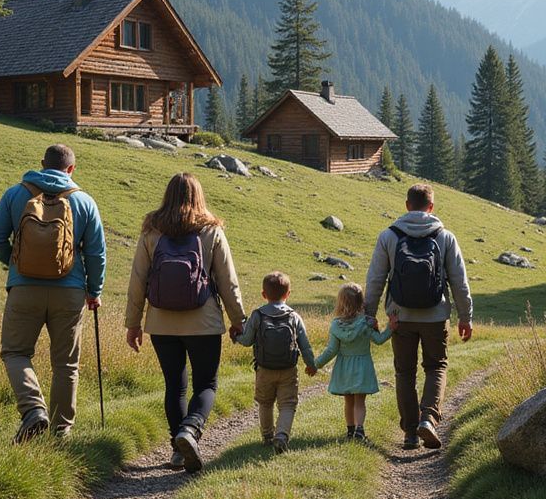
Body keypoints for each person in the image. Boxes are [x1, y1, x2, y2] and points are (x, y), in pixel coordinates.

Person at [125, 173, 246, 473]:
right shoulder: (211, 230)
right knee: (206, 383)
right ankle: (190, 431)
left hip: (161, 323)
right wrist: (238, 321)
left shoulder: (152, 230)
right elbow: (228, 282)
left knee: (174, 386)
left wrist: (133, 324)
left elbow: (138, 280)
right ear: (199, 196)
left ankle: (177, 451)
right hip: (202, 322)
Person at [0, 143, 106, 443]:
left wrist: (16, 264)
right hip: (71, 291)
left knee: (15, 352)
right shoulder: (84, 201)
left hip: (24, 289)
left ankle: (32, 410)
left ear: (41, 164)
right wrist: (94, 289)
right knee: (65, 363)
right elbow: (96, 253)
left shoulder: (15, 194)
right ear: (71, 169)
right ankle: (61, 432)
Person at [364, 183, 473, 451]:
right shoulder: (445, 237)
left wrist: (369, 314)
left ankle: (411, 433)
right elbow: (459, 282)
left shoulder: (388, 236)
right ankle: (429, 419)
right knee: (436, 367)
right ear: (431, 207)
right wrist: (465, 316)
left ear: (407, 205)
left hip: (399, 317)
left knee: (404, 372)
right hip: (435, 316)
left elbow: (376, 279)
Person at [234, 270, 316, 454]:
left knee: (265, 402)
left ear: (264, 294)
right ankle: (282, 435)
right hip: (288, 370)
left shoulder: (258, 315)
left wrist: (236, 336)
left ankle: (267, 436)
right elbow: (305, 345)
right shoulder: (294, 316)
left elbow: (247, 340)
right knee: (287, 404)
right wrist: (311, 364)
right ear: (288, 294)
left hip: (264, 369)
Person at [310, 282, 394, 442]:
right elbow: (379, 340)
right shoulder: (365, 323)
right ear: (361, 302)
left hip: (344, 368)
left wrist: (316, 364)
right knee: (360, 402)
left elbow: (331, 351)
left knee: (348, 401)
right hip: (362, 367)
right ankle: (360, 430)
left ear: (340, 303)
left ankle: (350, 431)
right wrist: (391, 327)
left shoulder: (336, 325)